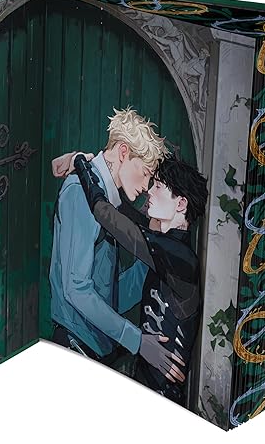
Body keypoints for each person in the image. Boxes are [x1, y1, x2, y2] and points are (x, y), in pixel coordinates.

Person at [49, 107, 185, 381]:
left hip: (94, 348)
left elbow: (110, 294)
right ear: (124, 152)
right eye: (145, 173)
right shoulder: (80, 193)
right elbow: (76, 290)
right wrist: (137, 341)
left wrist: (153, 253)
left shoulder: (109, 199)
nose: (146, 187)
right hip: (75, 348)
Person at [67, 152, 208, 406]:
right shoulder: (165, 245)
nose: (149, 191)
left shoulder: (179, 257)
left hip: (163, 395)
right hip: (146, 383)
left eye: (158, 186)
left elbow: (105, 212)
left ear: (180, 204)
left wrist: (81, 163)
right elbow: (124, 212)